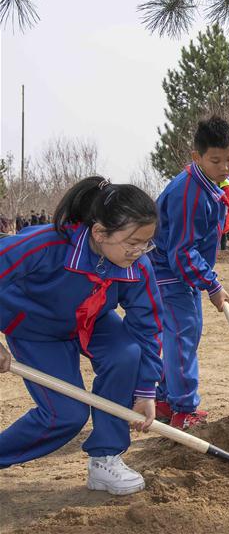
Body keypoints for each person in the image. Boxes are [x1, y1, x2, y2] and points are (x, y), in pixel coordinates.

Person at [0, 177, 163, 495]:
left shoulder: (136, 266)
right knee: (66, 416)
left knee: (126, 353)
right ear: (100, 233)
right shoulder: (44, 245)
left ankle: (105, 458)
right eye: (132, 243)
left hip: (92, 322)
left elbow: (147, 326)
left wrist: (145, 390)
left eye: (147, 243)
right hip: (36, 329)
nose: (140, 252)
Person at [149, 115, 229, 430]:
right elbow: (182, 252)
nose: (225, 167)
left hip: (179, 274)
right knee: (182, 337)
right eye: (216, 161)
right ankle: (184, 410)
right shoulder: (189, 192)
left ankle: (164, 400)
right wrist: (211, 285)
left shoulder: (209, 182)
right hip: (170, 274)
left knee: (179, 335)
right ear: (196, 157)